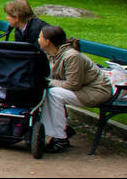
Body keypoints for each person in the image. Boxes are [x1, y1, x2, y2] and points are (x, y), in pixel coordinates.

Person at [39, 24, 114, 153]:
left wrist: (48, 82)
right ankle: (58, 131)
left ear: (48, 41)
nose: (38, 39)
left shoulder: (71, 56)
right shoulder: (52, 54)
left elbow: (73, 84)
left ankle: (60, 138)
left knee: (54, 93)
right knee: (46, 92)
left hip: (97, 91)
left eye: (40, 37)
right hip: (83, 88)